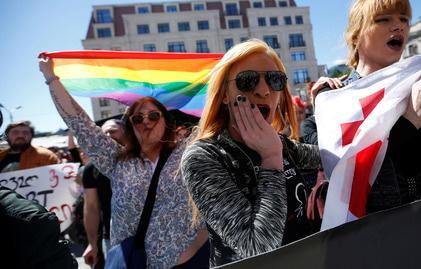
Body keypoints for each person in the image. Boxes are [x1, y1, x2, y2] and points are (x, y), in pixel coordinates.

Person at [303, 0, 421, 213]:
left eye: (404, 19)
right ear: (356, 36)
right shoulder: (333, 102)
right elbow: (348, 177)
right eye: (383, 19)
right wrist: (412, 121)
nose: (399, 26)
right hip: (383, 233)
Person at [38, 57, 209, 268]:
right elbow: (78, 122)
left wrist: (192, 250)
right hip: (132, 262)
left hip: (190, 262)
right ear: (130, 127)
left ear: (166, 121)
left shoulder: (189, 152)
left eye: (153, 116)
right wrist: (51, 79)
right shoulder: (116, 161)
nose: (146, 121)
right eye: (138, 118)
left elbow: (217, 117)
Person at [181, 39, 321, 267]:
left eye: (274, 80)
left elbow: (335, 154)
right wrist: (271, 160)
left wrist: (331, 95)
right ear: (225, 94)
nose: (264, 91)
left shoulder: (281, 144)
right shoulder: (203, 156)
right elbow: (257, 247)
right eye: (248, 80)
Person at [82, 119, 127, 268]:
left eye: (113, 131)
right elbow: (91, 207)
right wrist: (92, 243)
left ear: (126, 133)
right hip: (112, 240)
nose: (108, 135)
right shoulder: (91, 169)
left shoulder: (143, 160)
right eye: (104, 132)